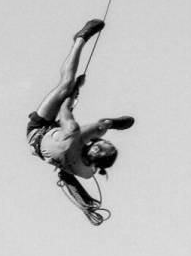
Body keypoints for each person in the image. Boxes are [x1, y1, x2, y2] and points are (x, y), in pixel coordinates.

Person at [26, 18, 134, 224]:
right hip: (61, 145)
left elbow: (65, 108)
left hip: (39, 131)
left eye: (100, 143)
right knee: (95, 127)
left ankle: (79, 39)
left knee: (66, 84)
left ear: (94, 148)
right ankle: (108, 124)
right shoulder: (87, 172)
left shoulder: (72, 132)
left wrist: (77, 88)